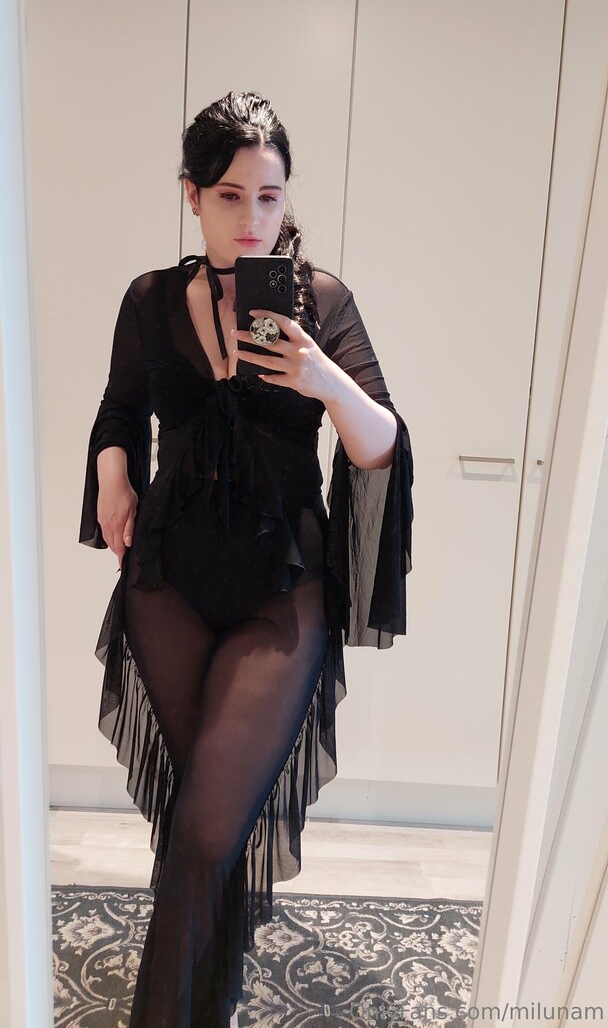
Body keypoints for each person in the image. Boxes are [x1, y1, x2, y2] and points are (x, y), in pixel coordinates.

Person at [78, 90, 414, 1028]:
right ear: (191, 195)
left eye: (269, 197)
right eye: (229, 196)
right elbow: (119, 406)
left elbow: (382, 443)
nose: (252, 218)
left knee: (209, 829)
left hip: (282, 589)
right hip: (169, 581)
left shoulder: (320, 302)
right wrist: (113, 470)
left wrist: (324, 378)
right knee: (200, 830)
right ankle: (208, 1002)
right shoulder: (150, 300)